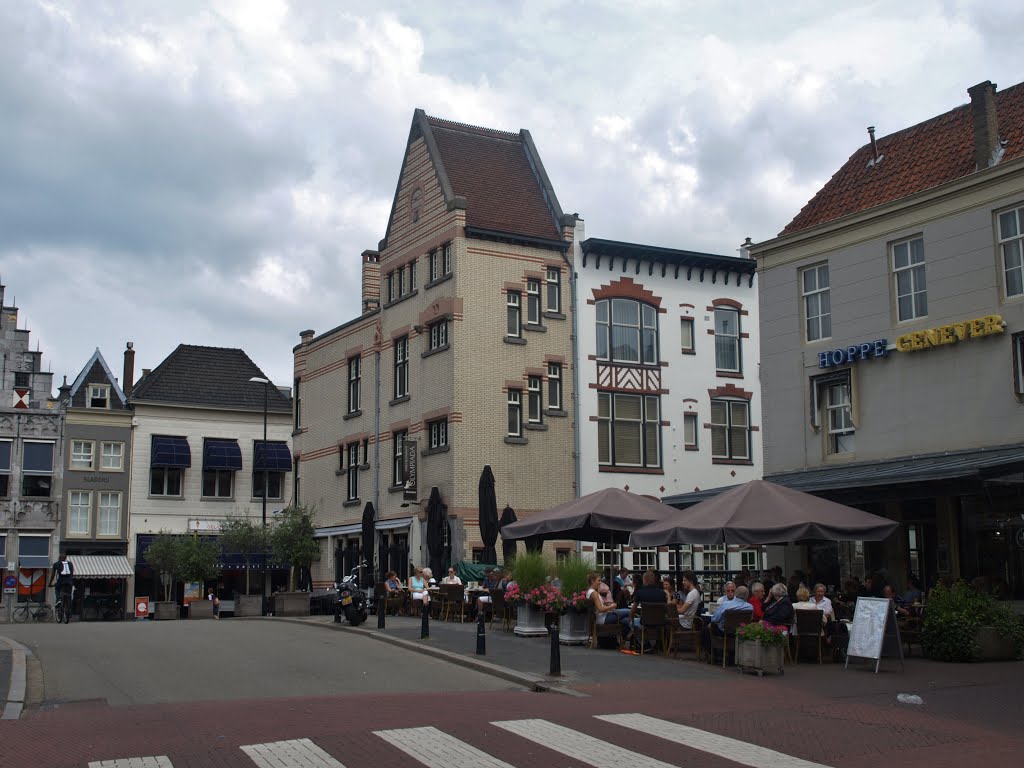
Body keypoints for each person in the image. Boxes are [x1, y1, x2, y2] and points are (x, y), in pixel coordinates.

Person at [703, 585, 753, 660]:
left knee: (706, 629)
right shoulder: (750, 607)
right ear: (747, 596)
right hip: (739, 633)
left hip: (724, 632)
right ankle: (731, 654)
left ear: (736, 593)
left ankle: (713, 654)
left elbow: (715, 619)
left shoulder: (726, 604)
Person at [628, 570, 669, 644]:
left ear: (645, 580)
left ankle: (645, 644)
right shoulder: (662, 593)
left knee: (632, 622)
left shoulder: (640, 592)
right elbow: (666, 609)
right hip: (660, 623)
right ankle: (653, 643)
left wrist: (630, 619)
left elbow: (633, 610)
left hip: (645, 623)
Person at [586, 572, 630, 638]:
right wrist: (612, 606)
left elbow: (598, 607)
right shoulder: (594, 593)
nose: (600, 582)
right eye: (599, 580)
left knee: (626, 620)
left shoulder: (589, 592)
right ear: (592, 581)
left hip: (600, 618)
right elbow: (600, 609)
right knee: (629, 611)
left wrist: (607, 605)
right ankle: (632, 639)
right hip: (603, 618)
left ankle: (623, 640)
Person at [49, 553, 74, 624]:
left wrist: (50, 583)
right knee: (68, 595)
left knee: (57, 589)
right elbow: (72, 573)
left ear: (59, 558)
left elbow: (53, 575)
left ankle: (59, 600)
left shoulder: (56, 564)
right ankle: (69, 609)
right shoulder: (70, 564)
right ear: (65, 558)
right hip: (69, 582)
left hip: (61, 581)